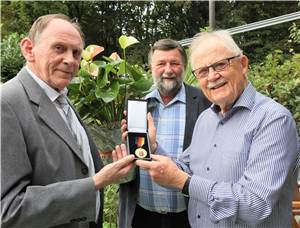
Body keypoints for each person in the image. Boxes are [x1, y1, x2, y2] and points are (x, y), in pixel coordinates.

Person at [135, 30, 299, 227]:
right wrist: (153, 147)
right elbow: (187, 169)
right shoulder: (205, 119)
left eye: (221, 64)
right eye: (203, 71)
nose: (212, 76)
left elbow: (255, 206)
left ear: (243, 64)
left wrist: (185, 183)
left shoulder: (272, 119)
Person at [1, 14, 134, 228]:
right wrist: (95, 183)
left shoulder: (60, 97)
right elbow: (9, 210)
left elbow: (76, 167)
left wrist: (112, 169)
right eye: (59, 48)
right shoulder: (6, 104)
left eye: (76, 53)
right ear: (28, 49)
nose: (70, 60)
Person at [118, 39, 211, 228]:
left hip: (189, 216)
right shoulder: (136, 104)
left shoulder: (205, 102)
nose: (168, 70)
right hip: (142, 216)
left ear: (184, 67)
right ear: (151, 67)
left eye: (174, 63)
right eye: (161, 63)